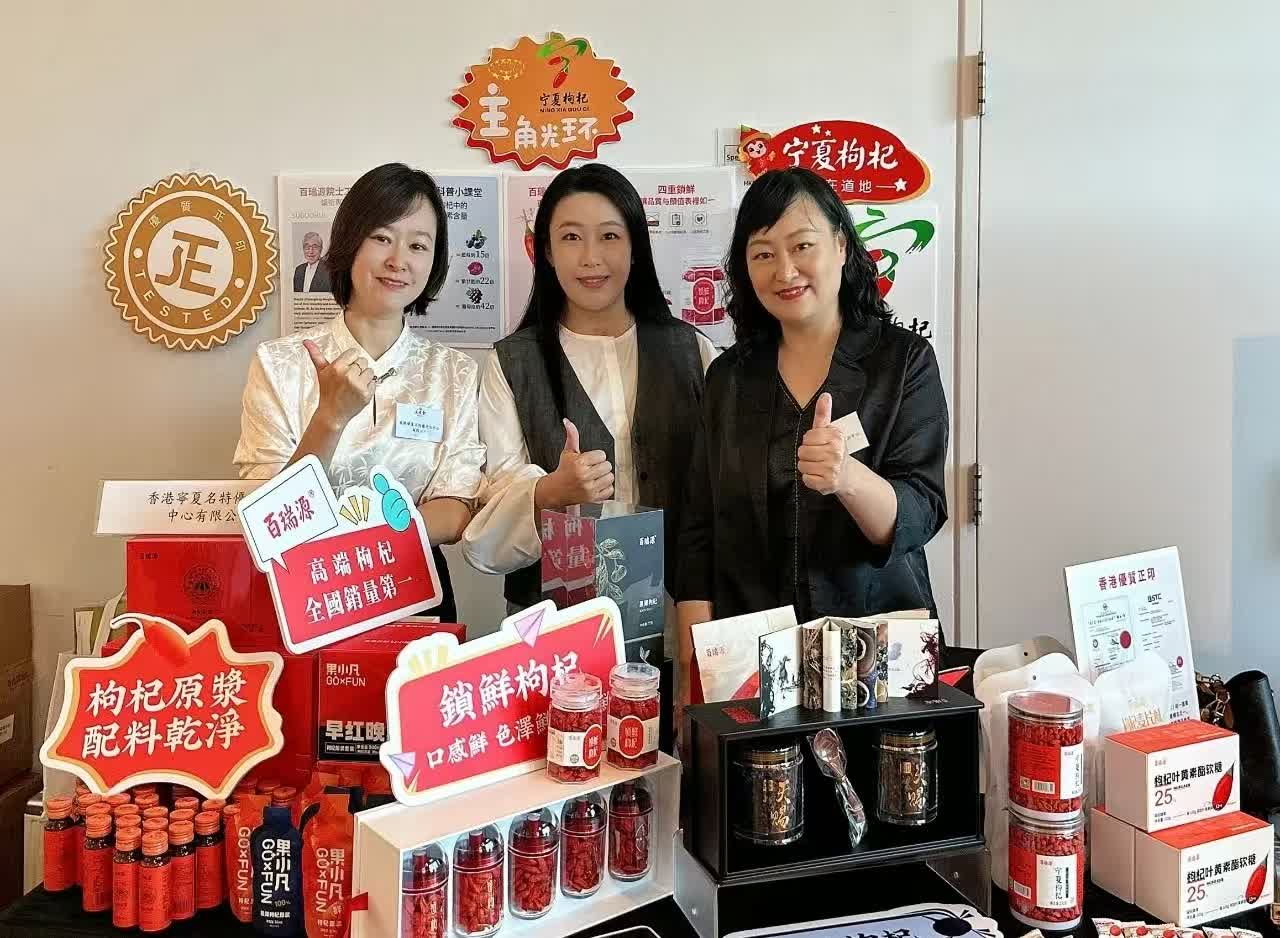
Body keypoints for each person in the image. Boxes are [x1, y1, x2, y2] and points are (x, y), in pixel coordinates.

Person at [675, 167, 949, 707]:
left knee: (885, 764)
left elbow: (920, 513)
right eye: (763, 253)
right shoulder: (729, 377)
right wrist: (692, 677)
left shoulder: (903, 362)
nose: (785, 270)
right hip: (751, 659)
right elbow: (699, 532)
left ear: (842, 246)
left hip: (875, 655)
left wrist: (849, 478)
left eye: (802, 245)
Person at [462, 163, 717, 646]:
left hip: (677, 617)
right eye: (571, 237)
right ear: (546, 252)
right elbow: (488, 525)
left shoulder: (694, 352)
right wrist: (549, 493)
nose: (591, 258)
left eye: (610, 236)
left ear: (636, 247)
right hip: (553, 628)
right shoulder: (512, 363)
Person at [235, 163, 483, 621]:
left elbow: (455, 507)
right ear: (350, 243)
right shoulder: (280, 363)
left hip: (415, 590)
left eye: (418, 245)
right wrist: (330, 417)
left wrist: (365, 543)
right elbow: (267, 512)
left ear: (434, 261)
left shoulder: (453, 372)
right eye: (382, 238)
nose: (398, 260)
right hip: (307, 592)